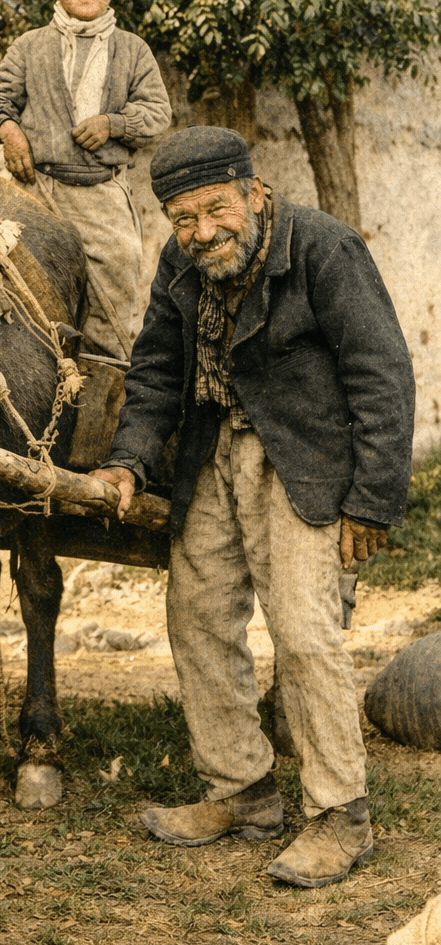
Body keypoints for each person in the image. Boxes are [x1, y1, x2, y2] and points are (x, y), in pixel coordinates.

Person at [92, 125, 415, 888]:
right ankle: (242, 790)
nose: (203, 232)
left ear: (253, 193)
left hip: (304, 460)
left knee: (306, 633)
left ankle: (342, 815)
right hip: (212, 451)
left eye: (215, 210)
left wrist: (370, 499)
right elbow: (157, 367)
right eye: (184, 218)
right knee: (198, 618)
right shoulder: (181, 262)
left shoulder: (326, 251)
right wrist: (130, 458)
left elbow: (382, 374)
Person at [0, 0, 172, 363]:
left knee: (113, 305)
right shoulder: (29, 47)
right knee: (24, 300)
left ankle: (107, 409)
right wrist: (10, 133)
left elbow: (157, 113)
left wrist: (113, 124)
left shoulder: (132, 49)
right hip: (36, 195)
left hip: (102, 197)